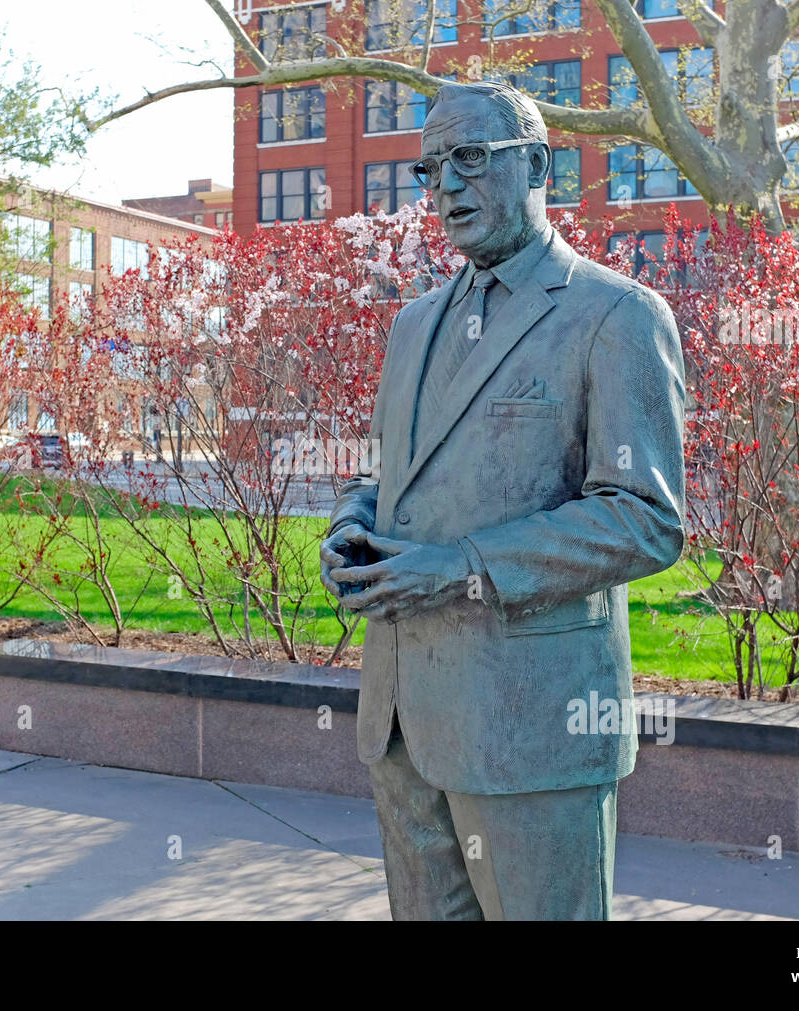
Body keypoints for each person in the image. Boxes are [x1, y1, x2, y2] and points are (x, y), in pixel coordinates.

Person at [321, 82, 687, 920]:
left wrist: (465, 569)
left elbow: (646, 516)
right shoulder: (413, 324)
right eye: (430, 168)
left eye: (471, 159)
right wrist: (353, 521)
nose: (447, 185)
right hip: (405, 718)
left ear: (538, 165)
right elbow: (398, 479)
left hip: (533, 732)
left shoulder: (617, 315)